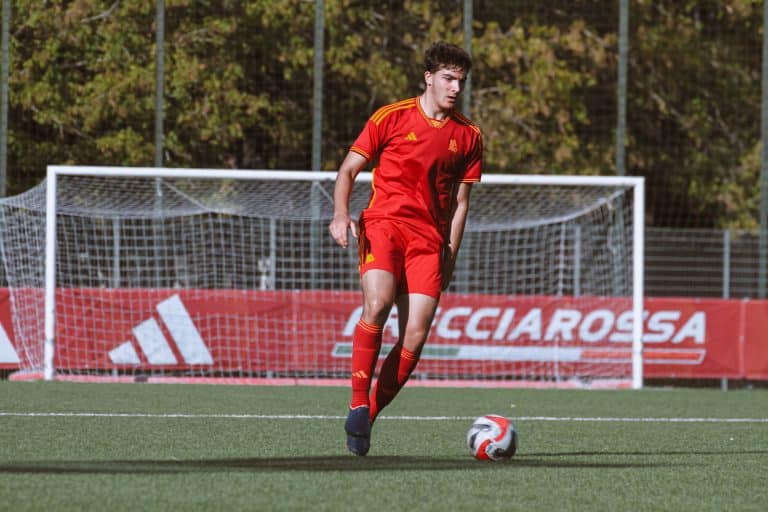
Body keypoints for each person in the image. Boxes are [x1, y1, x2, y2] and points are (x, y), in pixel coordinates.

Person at [328, 41, 482, 456]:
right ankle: (357, 402)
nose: (455, 88)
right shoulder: (391, 117)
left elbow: (461, 204)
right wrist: (341, 214)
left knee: (415, 334)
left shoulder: (468, 135)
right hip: (384, 224)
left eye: (461, 81)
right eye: (448, 79)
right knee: (377, 303)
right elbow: (348, 170)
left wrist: (450, 254)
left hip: (428, 241)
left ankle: (367, 416)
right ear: (429, 78)